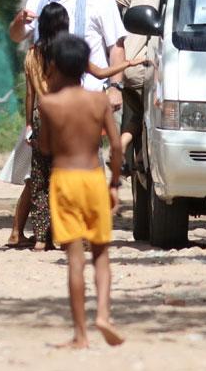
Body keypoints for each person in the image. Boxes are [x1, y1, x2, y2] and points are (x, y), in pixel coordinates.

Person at [6, 0, 128, 246]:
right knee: (41, 172)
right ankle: (35, 231)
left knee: (86, 166)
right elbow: (18, 35)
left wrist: (115, 88)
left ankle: (83, 228)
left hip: (87, 102)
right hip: (50, 107)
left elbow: (116, 48)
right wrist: (20, 21)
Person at [26, 3, 144, 251]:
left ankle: (40, 237)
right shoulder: (69, 54)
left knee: (40, 179)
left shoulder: (32, 54)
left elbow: (29, 95)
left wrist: (29, 122)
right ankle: (77, 233)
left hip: (41, 113)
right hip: (69, 114)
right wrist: (128, 64)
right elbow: (101, 73)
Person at [38, 35, 124, 348]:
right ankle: (103, 313)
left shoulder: (47, 103)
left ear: (56, 65)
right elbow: (115, 146)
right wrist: (114, 183)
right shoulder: (99, 100)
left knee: (75, 261)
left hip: (64, 180)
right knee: (101, 255)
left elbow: (46, 147)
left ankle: (81, 335)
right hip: (93, 179)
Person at [113, 0, 160, 169]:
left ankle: (120, 147)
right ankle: (141, 155)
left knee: (138, 114)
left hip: (124, 63)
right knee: (152, 115)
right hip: (142, 67)